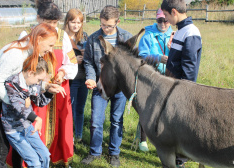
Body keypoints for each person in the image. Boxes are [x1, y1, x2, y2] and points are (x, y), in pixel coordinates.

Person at [0, 23, 60, 165]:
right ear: (39, 39)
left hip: (8, 97)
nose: (50, 50)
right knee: (3, 146)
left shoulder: (30, 51)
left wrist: (45, 87)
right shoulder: (16, 55)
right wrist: (17, 102)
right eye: (50, 45)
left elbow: (25, 82)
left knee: (18, 146)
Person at [10, 0, 77, 167]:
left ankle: (56, 158)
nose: (52, 26)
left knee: (60, 125)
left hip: (59, 88)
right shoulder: (28, 34)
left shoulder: (63, 36)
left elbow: (72, 62)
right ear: (39, 18)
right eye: (48, 22)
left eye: (55, 23)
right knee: (33, 122)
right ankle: (31, 160)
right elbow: (21, 64)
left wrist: (62, 72)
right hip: (35, 88)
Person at [81, 5, 132, 167]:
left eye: (109, 26)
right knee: (96, 121)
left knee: (116, 120)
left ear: (117, 22)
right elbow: (88, 62)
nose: (105, 28)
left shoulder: (126, 38)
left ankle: (114, 153)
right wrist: (90, 78)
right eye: (102, 24)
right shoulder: (93, 39)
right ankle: (95, 152)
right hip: (100, 87)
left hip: (120, 88)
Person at [2, 58, 66, 168]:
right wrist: (36, 118)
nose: (39, 83)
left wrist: (50, 92)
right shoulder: (11, 83)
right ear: (31, 73)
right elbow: (20, 107)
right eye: (38, 80)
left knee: (45, 155)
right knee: (34, 162)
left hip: (27, 127)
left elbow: (39, 101)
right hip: (14, 130)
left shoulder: (32, 82)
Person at [161, 0, 202, 167]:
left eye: (166, 15)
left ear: (174, 12)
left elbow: (189, 67)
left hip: (181, 90)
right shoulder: (180, 31)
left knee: (180, 126)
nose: (165, 19)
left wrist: (183, 93)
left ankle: (180, 161)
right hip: (173, 87)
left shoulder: (191, 32)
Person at [138, 8, 173, 152]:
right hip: (152, 76)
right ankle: (143, 140)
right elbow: (141, 55)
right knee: (147, 107)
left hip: (169, 76)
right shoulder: (148, 36)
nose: (163, 23)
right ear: (156, 19)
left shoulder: (174, 35)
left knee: (167, 109)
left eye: (166, 20)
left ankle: (165, 137)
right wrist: (158, 58)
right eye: (160, 20)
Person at [63, 8, 88, 143]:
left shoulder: (85, 37)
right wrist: (74, 60)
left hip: (82, 78)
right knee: (69, 110)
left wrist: (86, 56)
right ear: (67, 21)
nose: (76, 25)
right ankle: (69, 137)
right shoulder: (61, 38)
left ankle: (78, 135)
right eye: (73, 22)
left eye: (79, 23)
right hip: (70, 80)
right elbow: (59, 58)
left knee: (80, 108)